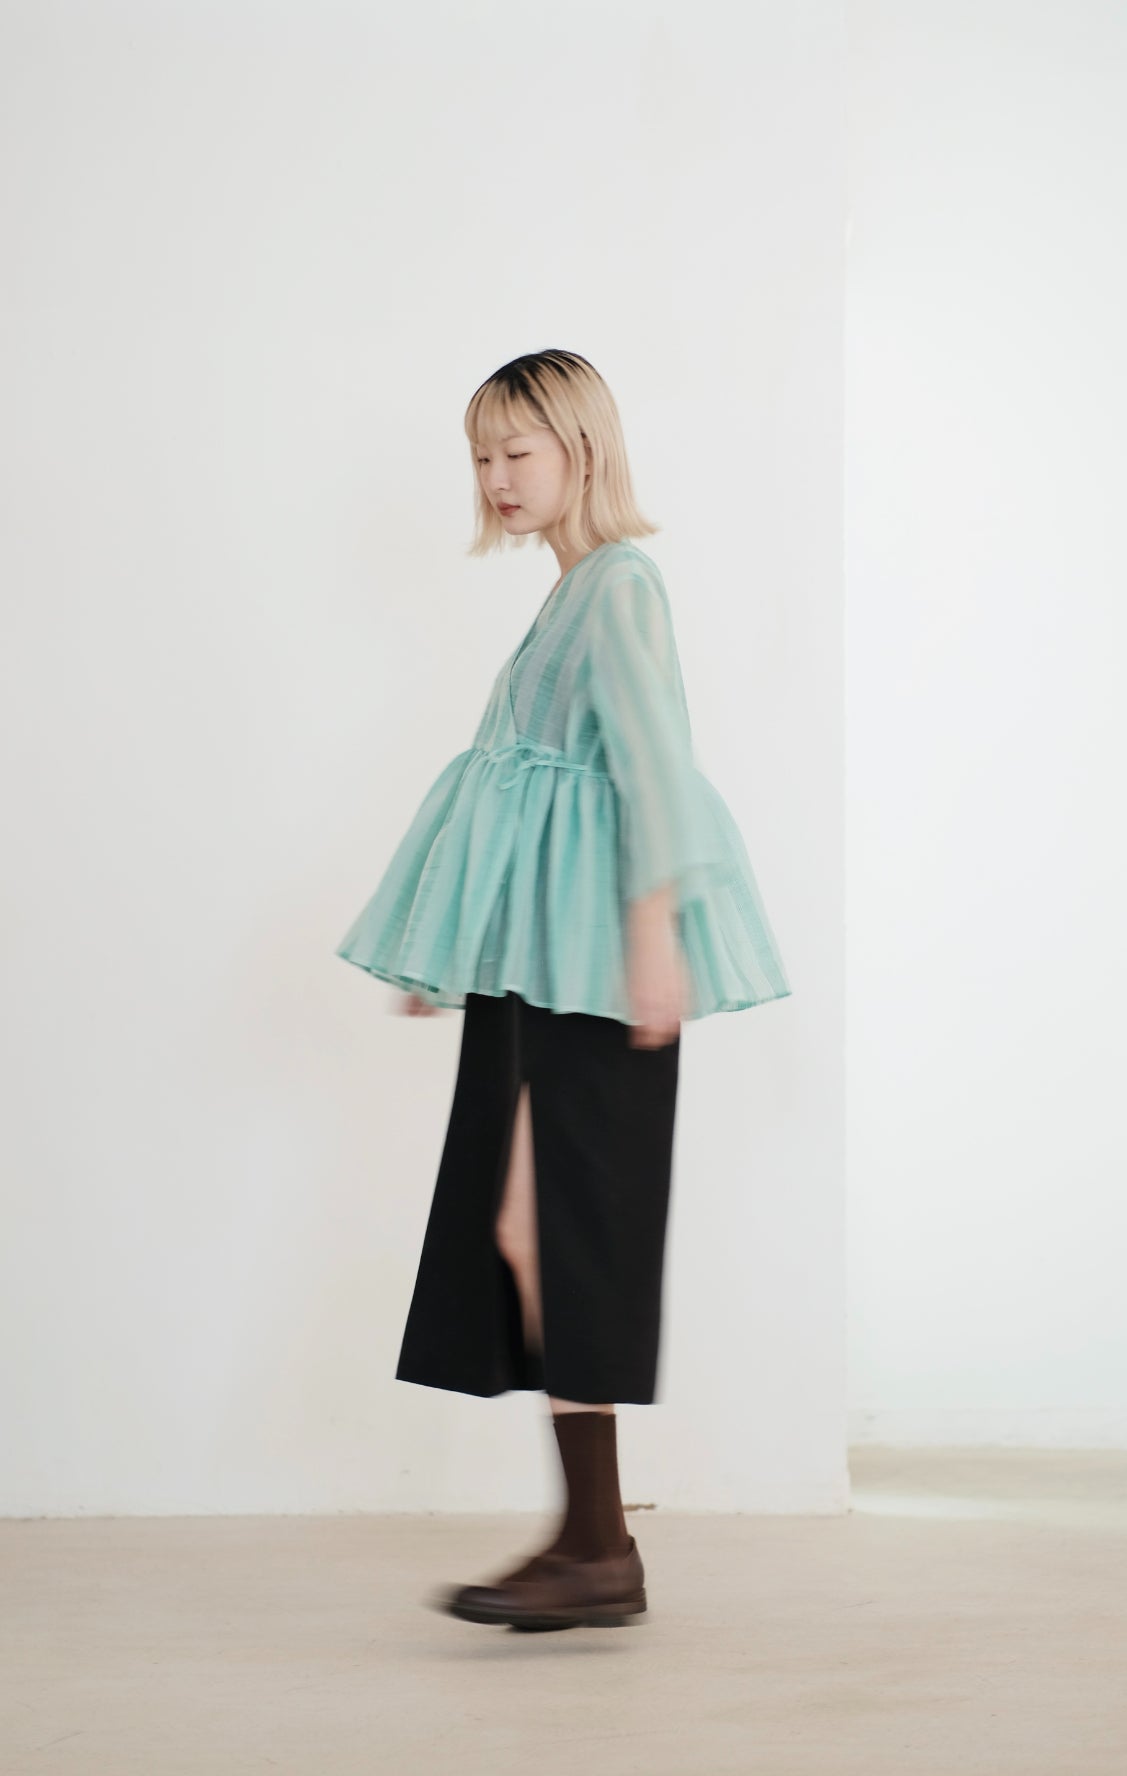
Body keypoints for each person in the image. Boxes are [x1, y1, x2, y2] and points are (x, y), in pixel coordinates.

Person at [336, 348, 790, 1630]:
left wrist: (651, 938)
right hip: (540, 964)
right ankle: (596, 1545)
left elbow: (651, 765)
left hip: (594, 968)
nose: (494, 477)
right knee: (522, 1229)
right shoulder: (570, 592)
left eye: (515, 452)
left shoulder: (620, 586)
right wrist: (453, 945)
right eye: (480, 456)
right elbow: (519, 797)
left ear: (581, 449)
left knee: (554, 1230)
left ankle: (596, 1547)